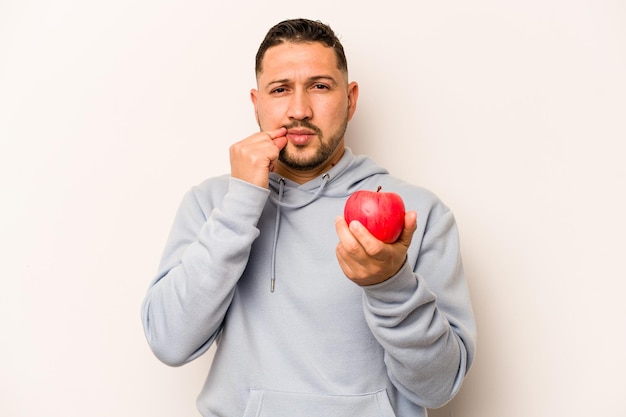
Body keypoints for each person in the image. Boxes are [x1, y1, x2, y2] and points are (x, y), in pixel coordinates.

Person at [141, 18, 476, 417]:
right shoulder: (213, 202)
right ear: (256, 104)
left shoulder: (415, 215)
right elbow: (169, 342)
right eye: (280, 90)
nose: (299, 110)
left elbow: (438, 386)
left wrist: (391, 285)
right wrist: (241, 205)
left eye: (319, 86)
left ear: (350, 100)